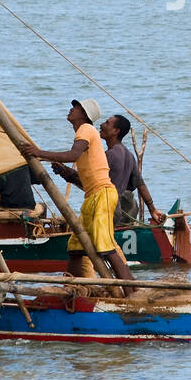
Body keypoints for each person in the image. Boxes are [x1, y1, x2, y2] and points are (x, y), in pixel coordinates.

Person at [19, 98, 136, 287]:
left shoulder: (86, 129)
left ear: (84, 114)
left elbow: (72, 155)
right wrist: (65, 171)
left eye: (76, 107)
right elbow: (80, 166)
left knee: (105, 247)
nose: (71, 110)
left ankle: (131, 291)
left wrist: (39, 153)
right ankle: (73, 286)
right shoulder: (84, 133)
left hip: (103, 195)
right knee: (75, 247)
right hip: (92, 197)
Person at [51, 114, 164, 226]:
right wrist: (152, 209)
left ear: (116, 131)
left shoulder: (109, 155)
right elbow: (141, 185)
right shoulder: (129, 156)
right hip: (121, 211)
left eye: (107, 123)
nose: (101, 125)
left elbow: (93, 183)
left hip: (107, 208)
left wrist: (68, 174)